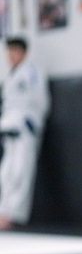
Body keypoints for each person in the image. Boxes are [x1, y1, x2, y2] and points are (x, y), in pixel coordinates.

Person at [0, 37, 50, 230]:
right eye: (9, 52)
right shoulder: (10, 76)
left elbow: (41, 101)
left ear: (23, 52)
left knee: (22, 171)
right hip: (9, 128)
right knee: (7, 173)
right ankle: (4, 210)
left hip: (25, 129)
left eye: (15, 51)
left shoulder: (32, 72)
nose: (11, 56)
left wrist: (32, 124)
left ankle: (15, 215)